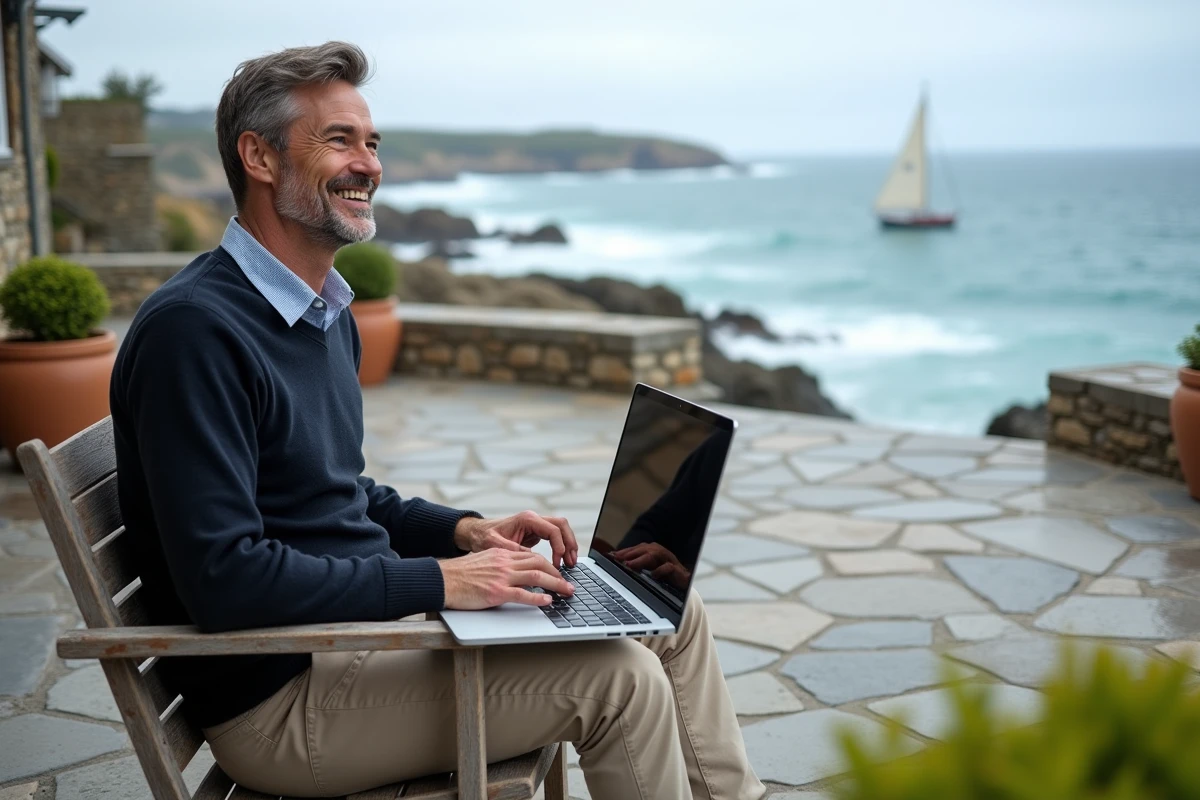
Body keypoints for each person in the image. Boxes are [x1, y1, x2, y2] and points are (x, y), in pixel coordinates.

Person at [109, 41, 764, 800]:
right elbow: (226, 579)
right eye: (339, 140)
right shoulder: (194, 334)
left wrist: (466, 534)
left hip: (359, 645)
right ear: (258, 157)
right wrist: (445, 582)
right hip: (286, 702)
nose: (369, 164)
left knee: (668, 611)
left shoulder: (322, 312)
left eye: (373, 143)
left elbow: (342, 495)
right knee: (621, 681)